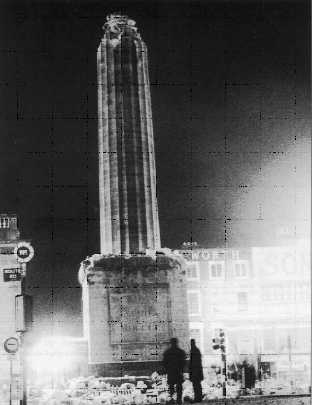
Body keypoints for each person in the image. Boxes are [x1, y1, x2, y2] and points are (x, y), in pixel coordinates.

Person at [163, 337, 186, 404]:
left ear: (171, 343)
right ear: (176, 342)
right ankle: (179, 400)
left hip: (171, 372)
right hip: (178, 372)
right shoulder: (181, 351)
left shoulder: (167, 352)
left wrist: (169, 369)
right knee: (179, 387)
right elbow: (183, 362)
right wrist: (179, 368)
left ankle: (171, 399)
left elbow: (164, 362)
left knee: (171, 386)